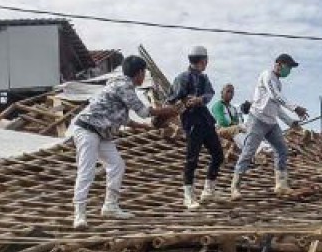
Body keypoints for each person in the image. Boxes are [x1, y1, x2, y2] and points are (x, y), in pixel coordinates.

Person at [70, 55, 177, 229]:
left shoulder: (121, 86)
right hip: (87, 129)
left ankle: (110, 206)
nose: (145, 77)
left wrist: (144, 128)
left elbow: (124, 119)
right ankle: (79, 215)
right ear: (139, 72)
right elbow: (143, 111)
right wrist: (168, 110)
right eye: (145, 73)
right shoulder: (124, 85)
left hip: (102, 133)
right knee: (86, 171)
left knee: (117, 164)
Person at [231, 53, 309, 199]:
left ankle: (281, 185)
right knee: (248, 152)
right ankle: (235, 187)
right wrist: (295, 107)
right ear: (279, 64)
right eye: (288, 67)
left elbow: (277, 107)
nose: (289, 71)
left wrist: (290, 121)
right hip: (257, 120)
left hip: (271, 123)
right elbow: (274, 96)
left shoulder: (279, 83)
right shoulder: (267, 75)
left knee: (281, 150)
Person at [168, 46, 223, 209]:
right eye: (205, 61)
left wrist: (199, 100)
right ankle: (188, 197)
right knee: (192, 159)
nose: (206, 63)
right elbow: (171, 99)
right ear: (201, 61)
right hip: (192, 121)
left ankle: (208, 191)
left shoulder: (204, 78)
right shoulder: (182, 78)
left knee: (218, 155)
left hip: (206, 121)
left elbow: (210, 94)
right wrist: (185, 101)